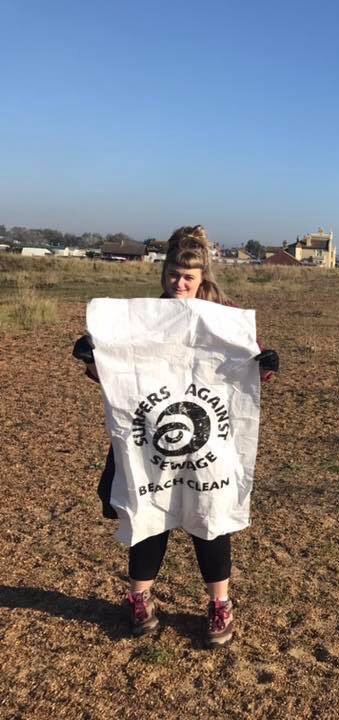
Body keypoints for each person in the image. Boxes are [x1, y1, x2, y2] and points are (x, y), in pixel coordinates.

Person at [73, 225, 279, 647]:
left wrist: (265, 364)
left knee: (211, 518)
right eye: (172, 275)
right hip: (148, 440)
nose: (179, 284)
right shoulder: (142, 319)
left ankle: (220, 603)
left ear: (203, 277)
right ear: (163, 272)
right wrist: (93, 360)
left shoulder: (224, 316)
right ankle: (139, 598)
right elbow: (121, 379)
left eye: (188, 277)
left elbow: (247, 371)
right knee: (149, 515)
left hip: (208, 443)